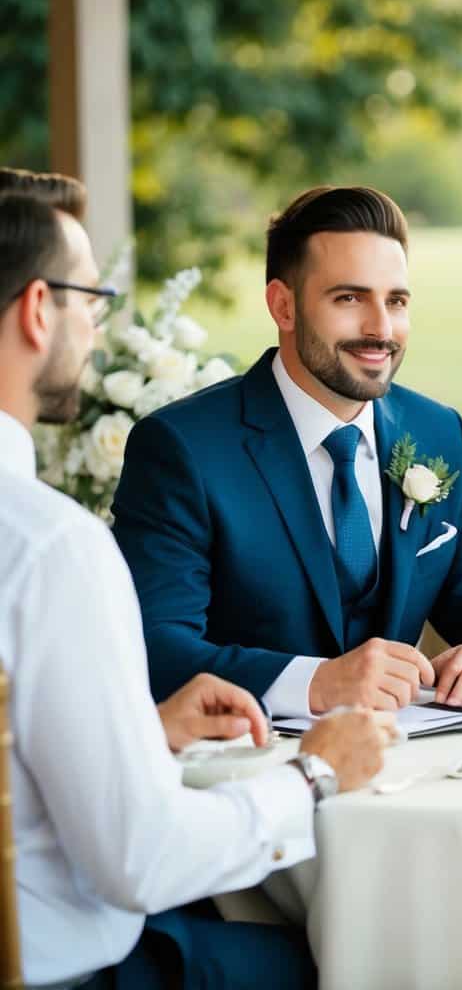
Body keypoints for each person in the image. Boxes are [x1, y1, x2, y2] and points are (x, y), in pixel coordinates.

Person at [0, 182, 392, 988]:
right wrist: (312, 775)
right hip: (65, 970)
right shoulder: (48, 550)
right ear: (39, 310)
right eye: (91, 295)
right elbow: (139, 862)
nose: (99, 320)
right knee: (376, 960)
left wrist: (140, 731)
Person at [112, 186, 462, 717]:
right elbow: (154, 648)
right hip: (249, 771)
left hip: (416, 768)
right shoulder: (182, 448)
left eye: (395, 301)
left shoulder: (438, 433)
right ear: (284, 306)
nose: (381, 329)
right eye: (349, 298)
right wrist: (315, 683)